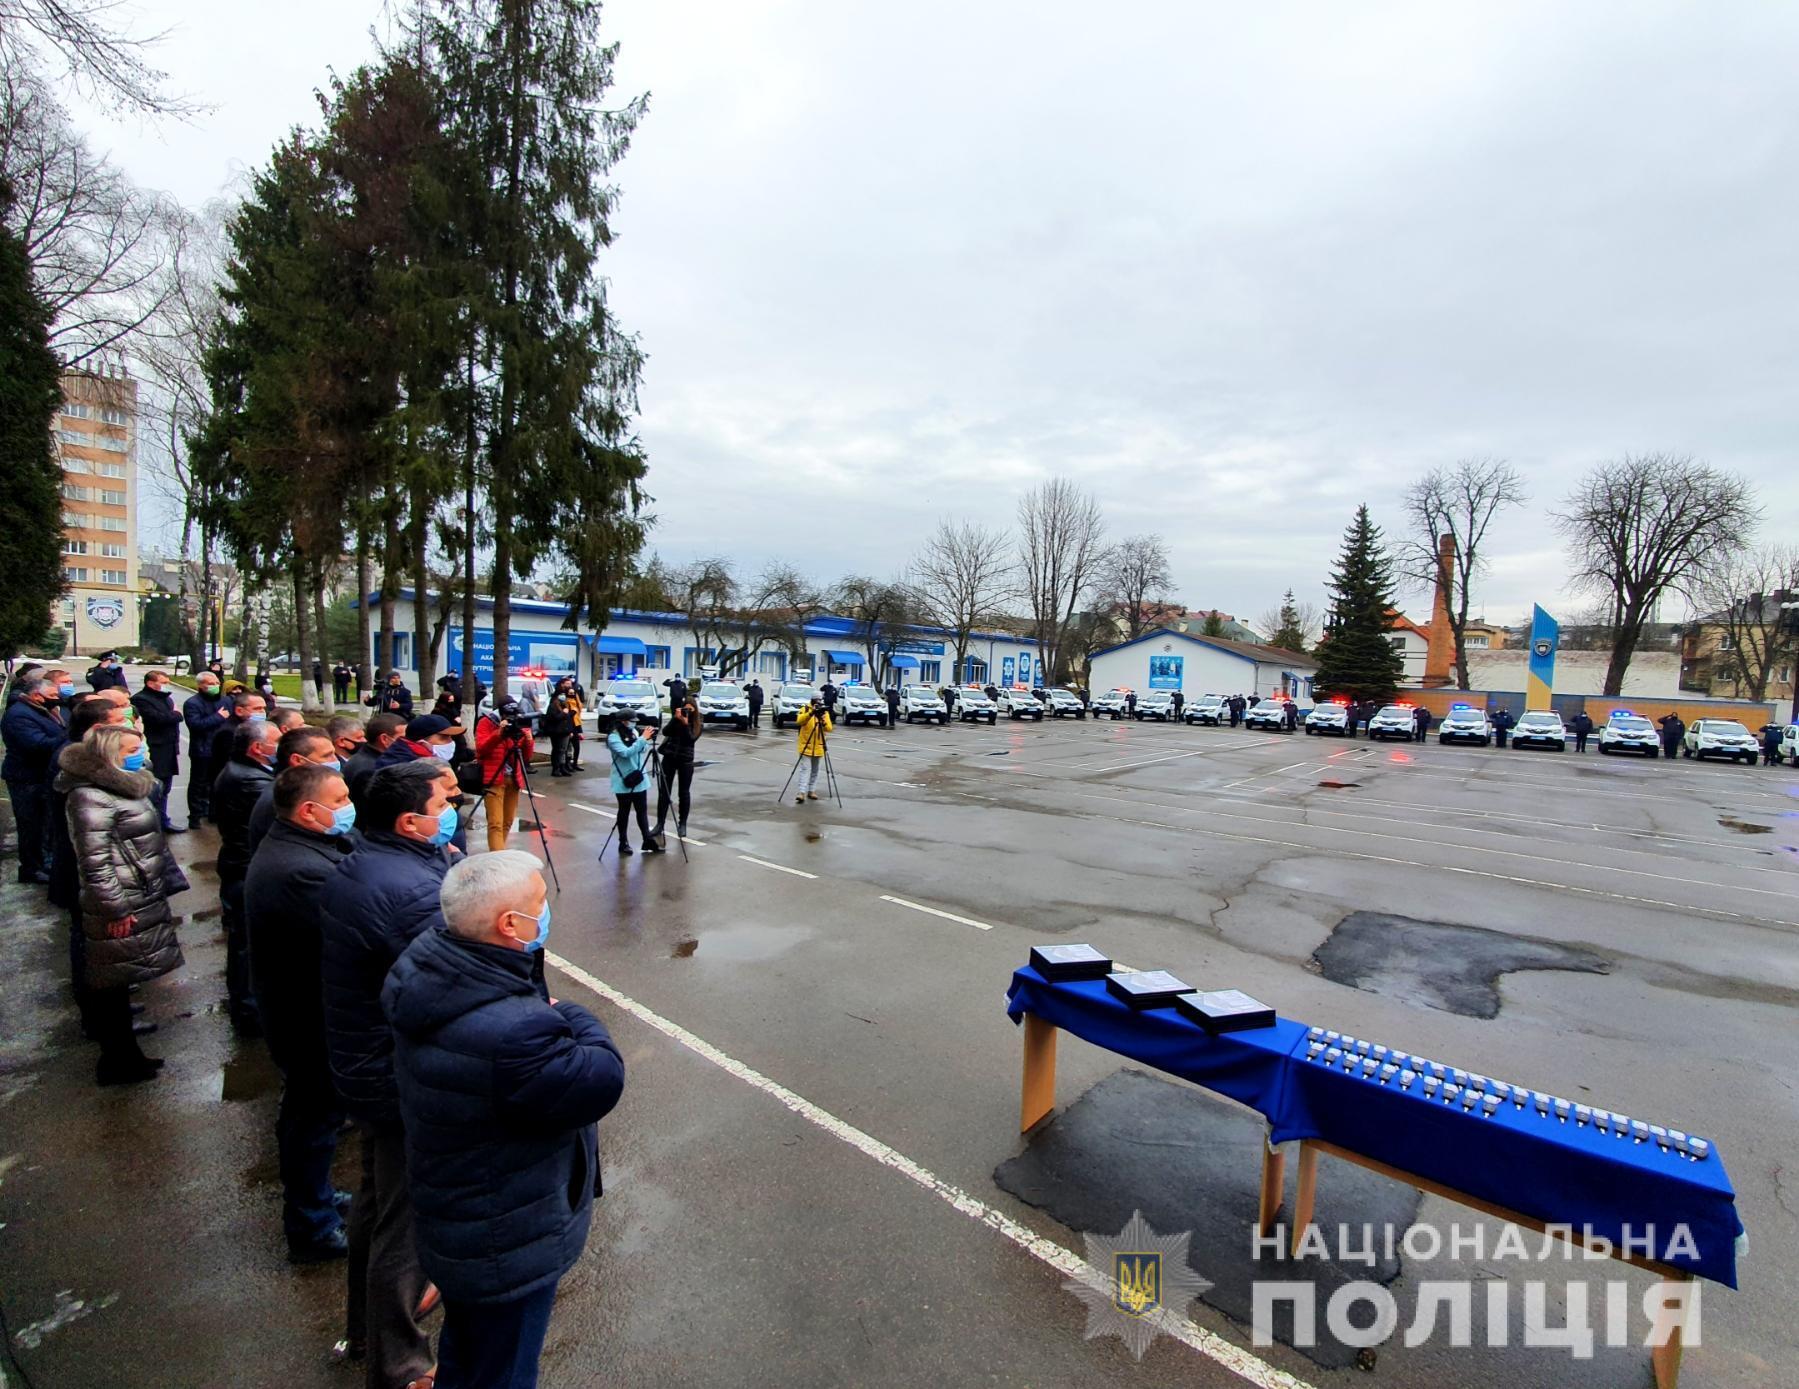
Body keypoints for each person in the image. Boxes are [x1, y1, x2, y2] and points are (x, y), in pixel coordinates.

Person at [384, 852, 625, 1389]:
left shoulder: (428, 969)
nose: (547, 910)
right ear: (509, 924)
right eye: (540, 903)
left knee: (468, 1350)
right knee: (506, 1367)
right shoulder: (514, 1032)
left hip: (459, 1218)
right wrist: (572, 1014)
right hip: (506, 1240)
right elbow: (601, 1077)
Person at [318, 761, 458, 1389]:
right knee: (405, 1220)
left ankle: (365, 1329)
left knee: (377, 1206)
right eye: (443, 805)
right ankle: (400, 1366)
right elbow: (447, 985)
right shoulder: (408, 891)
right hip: (396, 1073)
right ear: (408, 822)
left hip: (367, 1063)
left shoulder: (367, 860)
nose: (451, 811)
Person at [246, 761, 360, 1263]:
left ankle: (317, 1198)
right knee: (311, 1120)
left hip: (304, 1008)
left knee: (314, 1116)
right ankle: (311, 1224)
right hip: (306, 1015)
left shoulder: (303, 848)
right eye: (340, 801)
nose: (348, 808)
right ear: (309, 811)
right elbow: (347, 935)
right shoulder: (300, 870)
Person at [62, 723, 186, 1085]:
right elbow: (95, 864)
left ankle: (127, 1055)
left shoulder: (121, 785)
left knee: (120, 977)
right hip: (118, 902)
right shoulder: (90, 796)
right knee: (111, 981)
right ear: (109, 754)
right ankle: (117, 1061)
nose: (140, 754)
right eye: (132, 749)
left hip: (136, 892)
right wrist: (115, 908)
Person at [214, 719, 279, 1033]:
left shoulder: (249, 772)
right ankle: (248, 1011)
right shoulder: (252, 782)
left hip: (239, 864)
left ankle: (246, 1005)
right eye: (278, 741)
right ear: (257, 748)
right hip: (244, 868)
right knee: (246, 946)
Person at [2, 671, 67, 883]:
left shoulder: (40, 709)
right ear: (37, 696)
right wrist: (69, 735)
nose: (57, 697)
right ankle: (31, 868)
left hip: (40, 776)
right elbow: (37, 745)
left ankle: (44, 861)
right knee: (31, 825)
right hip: (26, 778)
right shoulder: (19, 715)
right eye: (53, 694)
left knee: (44, 824)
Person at [249, 725, 340, 853]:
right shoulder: (282, 799)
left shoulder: (296, 789)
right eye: (327, 756)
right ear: (298, 760)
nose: (335, 760)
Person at [474, 699, 537, 851]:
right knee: (495, 823)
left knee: (507, 822)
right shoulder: (486, 722)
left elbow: (525, 756)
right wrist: (499, 733)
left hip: (513, 779)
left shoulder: (518, 724)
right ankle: (498, 858)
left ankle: (498, 853)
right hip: (494, 779)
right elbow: (481, 749)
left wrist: (528, 740)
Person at [130, 670, 184, 833]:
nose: (166, 685)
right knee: (154, 787)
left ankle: (163, 820)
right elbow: (158, 719)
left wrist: (173, 715)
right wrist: (175, 714)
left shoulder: (166, 698)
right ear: (150, 683)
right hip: (156, 749)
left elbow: (171, 717)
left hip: (169, 747)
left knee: (165, 787)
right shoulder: (141, 699)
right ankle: (153, 824)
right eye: (163, 682)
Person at [606, 714, 659, 854]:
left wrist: (645, 739)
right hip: (623, 780)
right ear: (623, 721)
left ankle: (647, 840)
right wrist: (642, 739)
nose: (633, 724)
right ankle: (623, 842)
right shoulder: (613, 737)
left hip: (638, 778)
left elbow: (642, 749)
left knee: (642, 811)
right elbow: (625, 753)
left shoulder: (634, 732)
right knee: (624, 811)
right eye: (631, 721)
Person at [181, 672, 228, 824]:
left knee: (217, 783)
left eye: (217, 683)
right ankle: (195, 815)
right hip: (202, 749)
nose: (215, 686)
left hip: (221, 749)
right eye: (211, 683)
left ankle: (212, 812)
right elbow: (196, 725)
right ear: (200, 685)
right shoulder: (192, 703)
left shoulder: (225, 700)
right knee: (198, 783)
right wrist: (218, 717)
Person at [654, 691, 700, 839]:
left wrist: (685, 724)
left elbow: (690, 739)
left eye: (690, 710)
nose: (687, 712)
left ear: (695, 710)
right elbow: (666, 731)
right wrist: (676, 719)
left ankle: (682, 824)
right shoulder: (677, 719)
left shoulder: (698, 723)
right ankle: (660, 823)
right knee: (664, 792)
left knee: (684, 793)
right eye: (685, 709)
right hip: (669, 757)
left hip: (685, 760)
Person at [208, 690, 268, 791]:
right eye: (257, 709)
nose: (262, 712)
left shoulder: (248, 728)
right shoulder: (230, 732)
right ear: (239, 711)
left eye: (263, 708)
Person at [345, 712, 404, 812]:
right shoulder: (372, 770)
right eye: (403, 738)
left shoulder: (365, 756)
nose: (409, 742)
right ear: (384, 739)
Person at [794, 696, 831, 804]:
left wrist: (822, 720)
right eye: (816, 700)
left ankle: (812, 790)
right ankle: (801, 792)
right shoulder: (805, 709)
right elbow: (799, 721)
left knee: (815, 770)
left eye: (820, 700)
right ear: (812, 700)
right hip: (806, 745)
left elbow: (829, 728)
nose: (818, 702)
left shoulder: (824, 712)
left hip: (819, 746)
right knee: (804, 769)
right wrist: (811, 713)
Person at [541, 688, 576, 777]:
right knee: (558, 750)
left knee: (563, 750)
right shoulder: (552, 706)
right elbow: (554, 718)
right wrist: (564, 713)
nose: (563, 696)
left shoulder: (564, 705)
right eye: (561, 694)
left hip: (565, 731)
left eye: (564, 694)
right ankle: (556, 768)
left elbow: (568, 720)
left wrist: (570, 730)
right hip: (557, 732)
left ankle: (562, 767)